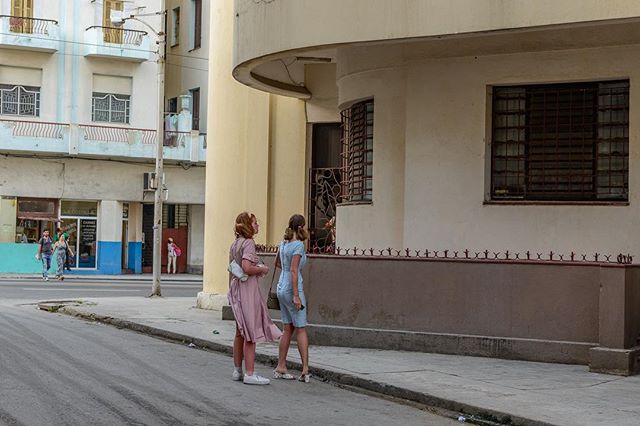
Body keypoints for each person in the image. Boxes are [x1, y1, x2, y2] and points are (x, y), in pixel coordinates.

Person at [228, 212, 282, 385]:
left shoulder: (235, 244)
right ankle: (250, 373)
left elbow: (233, 269)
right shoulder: (249, 243)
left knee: (239, 332)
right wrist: (262, 269)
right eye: (255, 223)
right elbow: (246, 267)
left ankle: (237, 370)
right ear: (248, 226)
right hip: (247, 291)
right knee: (250, 332)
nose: (258, 225)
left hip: (236, 289)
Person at [274, 214, 311, 383]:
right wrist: (296, 296)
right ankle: (305, 370)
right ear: (300, 227)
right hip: (292, 288)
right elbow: (295, 271)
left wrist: (287, 269)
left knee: (287, 328)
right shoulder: (298, 246)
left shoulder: (283, 243)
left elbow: (278, 264)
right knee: (301, 328)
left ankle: (281, 366)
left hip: (281, 285)